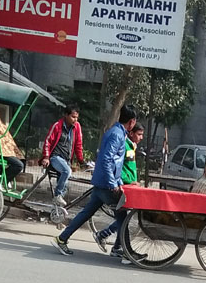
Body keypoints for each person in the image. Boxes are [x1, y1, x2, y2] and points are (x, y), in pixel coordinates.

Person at [51, 104, 137, 256]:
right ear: (132, 122)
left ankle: (62, 238)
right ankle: (126, 251)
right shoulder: (117, 135)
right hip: (106, 184)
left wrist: (117, 182)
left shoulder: (115, 132)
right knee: (122, 216)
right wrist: (113, 184)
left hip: (101, 181)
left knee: (86, 213)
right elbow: (106, 160)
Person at [93, 123, 144, 254]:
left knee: (123, 218)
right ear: (131, 133)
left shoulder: (131, 146)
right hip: (123, 186)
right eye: (139, 134)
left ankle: (116, 246)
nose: (141, 137)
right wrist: (128, 181)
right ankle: (116, 244)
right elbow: (118, 167)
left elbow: (130, 167)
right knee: (123, 218)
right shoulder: (124, 143)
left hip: (129, 185)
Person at [40, 105, 84, 206]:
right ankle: (57, 195)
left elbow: (78, 144)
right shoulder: (57, 125)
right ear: (66, 115)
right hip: (55, 157)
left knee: (64, 185)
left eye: (77, 117)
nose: (75, 120)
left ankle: (56, 213)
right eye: (73, 117)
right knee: (67, 171)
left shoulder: (77, 127)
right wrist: (46, 157)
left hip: (66, 160)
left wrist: (81, 160)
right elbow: (48, 141)